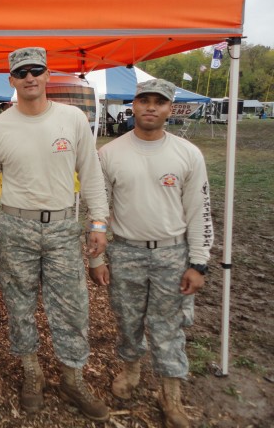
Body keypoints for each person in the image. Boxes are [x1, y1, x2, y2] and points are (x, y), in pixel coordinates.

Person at [0, 47, 110, 422]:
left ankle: (72, 376)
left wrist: (98, 222)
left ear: (48, 75)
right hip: (16, 227)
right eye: (22, 72)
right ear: (11, 80)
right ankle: (31, 371)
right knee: (18, 306)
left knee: (71, 305)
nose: (30, 77)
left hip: (64, 227)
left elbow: (92, 175)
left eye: (37, 70)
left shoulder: (73, 119)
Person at [91, 79, 213, 428]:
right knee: (128, 322)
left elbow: (199, 212)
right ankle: (130, 373)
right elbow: (99, 208)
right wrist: (97, 258)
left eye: (159, 102)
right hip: (126, 252)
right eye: (144, 100)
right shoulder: (110, 153)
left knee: (168, 327)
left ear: (169, 108)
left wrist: (199, 263)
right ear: (133, 104)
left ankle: (170, 394)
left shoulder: (187, 154)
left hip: (172, 254)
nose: (150, 107)